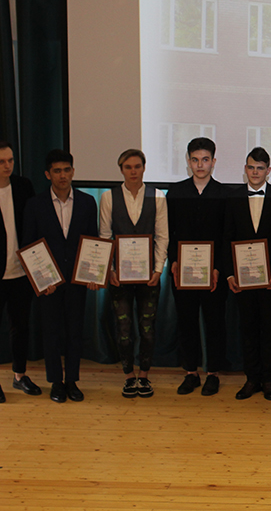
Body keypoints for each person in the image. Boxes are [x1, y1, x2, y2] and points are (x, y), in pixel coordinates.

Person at [21, 149, 98, 403]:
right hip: (49, 282)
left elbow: (93, 242)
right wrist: (41, 280)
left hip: (77, 279)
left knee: (75, 331)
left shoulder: (87, 202)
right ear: (47, 174)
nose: (62, 175)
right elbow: (29, 244)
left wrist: (93, 274)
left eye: (66, 170)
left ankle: (72, 381)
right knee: (51, 332)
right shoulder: (35, 205)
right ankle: (56, 382)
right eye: (57, 171)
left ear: (73, 172)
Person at [99, 149, 168, 398]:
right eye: (128, 167)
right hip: (120, 277)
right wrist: (110, 270)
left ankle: (145, 376)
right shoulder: (108, 197)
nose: (133, 171)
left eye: (137, 166)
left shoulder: (158, 196)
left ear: (144, 168)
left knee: (148, 328)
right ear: (121, 170)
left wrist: (158, 269)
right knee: (124, 329)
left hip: (149, 276)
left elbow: (162, 236)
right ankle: (129, 376)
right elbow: (105, 235)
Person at [223, 147, 271, 401]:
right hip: (242, 280)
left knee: (270, 329)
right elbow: (227, 237)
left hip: (270, 279)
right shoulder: (233, 197)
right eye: (251, 167)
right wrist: (230, 275)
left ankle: (268, 379)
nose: (255, 172)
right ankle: (251, 378)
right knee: (248, 328)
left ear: (268, 170)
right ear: (245, 169)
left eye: (260, 168)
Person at [167, 137, 228, 396]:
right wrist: (173, 260)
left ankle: (213, 373)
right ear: (188, 161)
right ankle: (191, 372)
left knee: (214, 322)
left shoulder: (224, 194)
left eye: (205, 159)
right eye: (195, 160)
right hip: (183, 272)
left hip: (214, 272)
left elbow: (226, 235)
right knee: (187, 321)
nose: (200, 165)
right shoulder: (176, 193)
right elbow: (168, 232)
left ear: (213, 161)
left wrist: (218, 267)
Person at [0, 140, 39, 402]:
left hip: (22, 272)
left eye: (11, 160)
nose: (7, 166)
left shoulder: (24, 186)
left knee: (21, 327)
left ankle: (19, 375)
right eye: (2, 162)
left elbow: (34, 223)